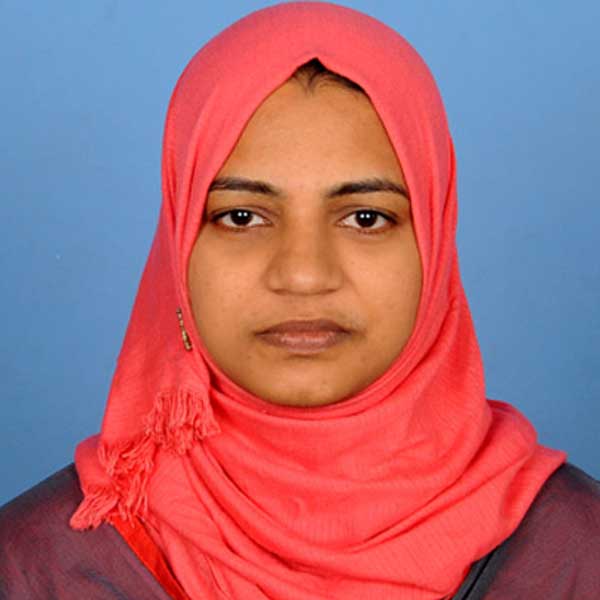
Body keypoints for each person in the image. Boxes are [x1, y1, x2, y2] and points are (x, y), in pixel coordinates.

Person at [1, 2, 599, 599]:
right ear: (178, 247)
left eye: (366, 218)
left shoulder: (577, 552)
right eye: (242, 217)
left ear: (436, 244)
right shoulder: (37, 568)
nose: (304, 275)